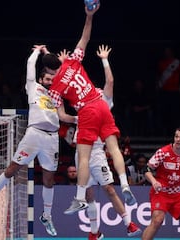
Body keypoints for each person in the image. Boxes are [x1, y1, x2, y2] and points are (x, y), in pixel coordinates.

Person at [42, 4, 136, 214]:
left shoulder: (54, 90)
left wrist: (75, 119)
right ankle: (126, 184)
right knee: (113, 148)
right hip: (101, 104)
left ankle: (79, 198)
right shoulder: (73, 61)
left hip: (86, 112)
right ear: (59, 60)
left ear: (48, 71)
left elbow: (63, 116)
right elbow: (85, 37)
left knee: (83, 157)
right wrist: (89, 15)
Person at [0, 45, 77, 237]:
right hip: (34, 134)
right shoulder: (33, 87)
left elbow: (64, 117)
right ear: (41, 79)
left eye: (52, 79)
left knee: (49, 180)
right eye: (47, 79)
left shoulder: (56, 95)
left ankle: (46, 216)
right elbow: (30, 66)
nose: (50, 82)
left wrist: (78, 119)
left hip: (51, 139)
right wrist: (38, 51)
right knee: (12, 169)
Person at [71, 44, 141, 239]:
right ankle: (95, 233)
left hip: (97, 152)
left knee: (109, 189)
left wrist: (104, 59)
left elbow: (110, 79)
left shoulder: (105, 100)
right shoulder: (82, 100)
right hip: (81, 151)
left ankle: (129, 224)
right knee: (88, 194)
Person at [141, 127, 180, 240]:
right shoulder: (163, 152)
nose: (178, 139)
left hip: (176, 195)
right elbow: (145, 169)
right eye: (176, 136)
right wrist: (154, 181)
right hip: (160, 193)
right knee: (157, 220)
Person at [155, 47, 180, 135]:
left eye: (168, 52)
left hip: (174, 91)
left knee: (174, 112)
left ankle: (174, 131)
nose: (167, 53)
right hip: (164, 91)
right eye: (165, 52)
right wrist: (157, 85)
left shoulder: (177, 63)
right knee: (164, 112)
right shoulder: (161, 63)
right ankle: (163, 131)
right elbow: (158, 75)